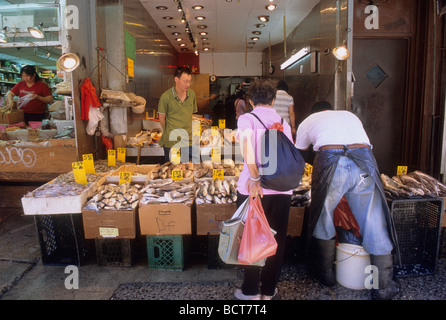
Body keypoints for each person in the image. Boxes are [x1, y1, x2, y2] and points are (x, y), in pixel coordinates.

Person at [294, 100, 400, 300]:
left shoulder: (308, 121)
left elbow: (299, 157)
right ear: (329, 110)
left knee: (323, 218)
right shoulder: (350, 116)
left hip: (330, 162)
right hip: (364, 161)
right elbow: (366, 145)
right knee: (374, 221)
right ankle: (383, 286)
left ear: (313, 112)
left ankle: (325, 274)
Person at [234, 78, 293, 300]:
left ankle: (250, 291)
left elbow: (246, 147)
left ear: (249, 100)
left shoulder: (246, 119)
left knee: (250, 238)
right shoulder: (283, 122)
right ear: (274, 99)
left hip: (253, 190)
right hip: (281, 191)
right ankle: (268, 291)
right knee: (275, 241)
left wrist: (256, 177)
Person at [158, 66, 198, 163]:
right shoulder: (165, 97)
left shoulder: (192, 94)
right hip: (172, 143)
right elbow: (161, 119)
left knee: (189, 172)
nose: (188, 84)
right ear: (176, 79)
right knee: (172, 174)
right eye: (185, 81)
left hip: (189, 142)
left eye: (190, 81)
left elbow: (190, 116)